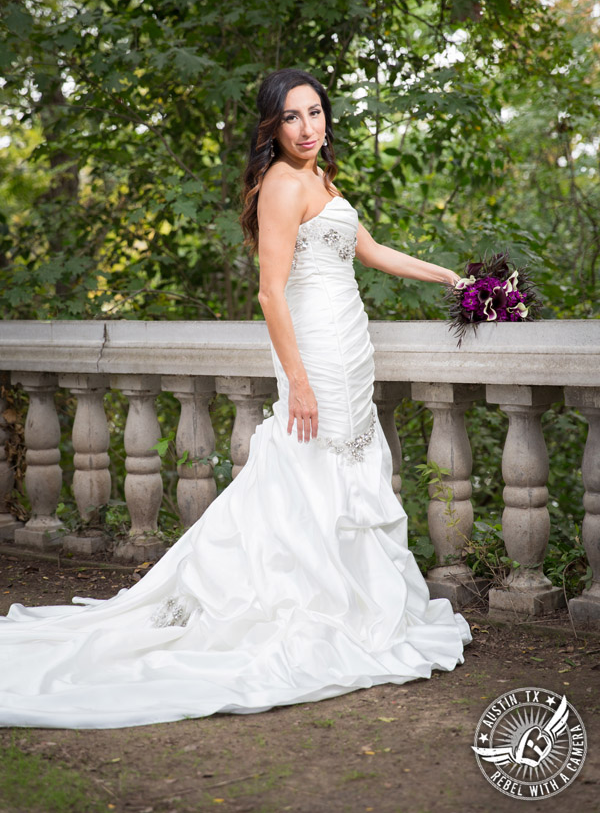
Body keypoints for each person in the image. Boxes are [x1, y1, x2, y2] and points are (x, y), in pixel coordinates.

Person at [0, 68, 471, 731]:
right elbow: (271, 294)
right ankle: (310, 603)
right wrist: (299, 382)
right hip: (314, 355)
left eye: (315, 113)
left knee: (346, 467)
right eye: (293, 118)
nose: (309, 128)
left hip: (349, 350)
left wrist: (451, 278)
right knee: (314, 469)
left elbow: (366, 249)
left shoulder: (321, 179)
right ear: (271, 128)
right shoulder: (280, 185)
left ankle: (349, 600)